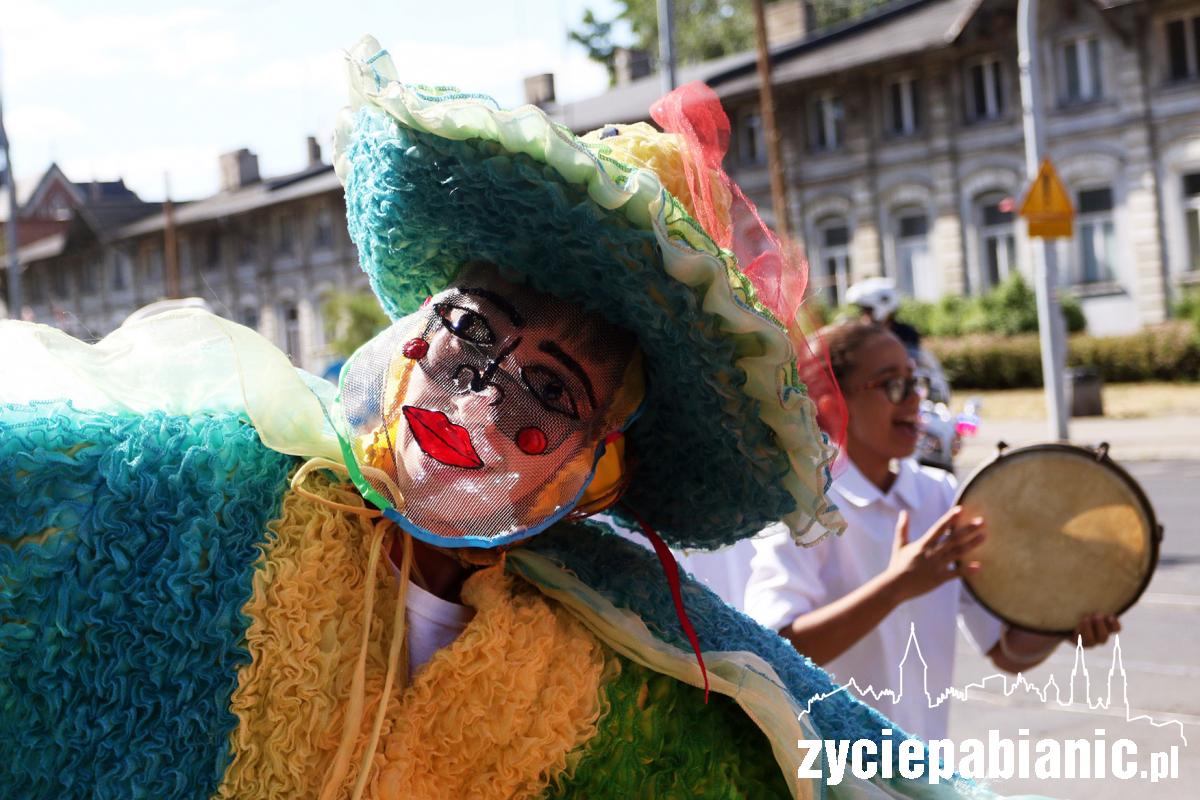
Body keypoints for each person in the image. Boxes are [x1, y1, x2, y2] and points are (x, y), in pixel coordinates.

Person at [0, 37, 1058, 800]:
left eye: (551, 391)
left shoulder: (601, 660)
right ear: (418, 333)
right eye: (471, 332)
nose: (480, 396)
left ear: (597, 472)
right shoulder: (209, 492)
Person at [745, 320, 1121, 741]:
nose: (914, 400)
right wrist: (898, 585)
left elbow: (1006, 650)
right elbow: (774, 653)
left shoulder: (940, 496)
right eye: (891, 385)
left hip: (923, 773)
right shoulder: (801, 505)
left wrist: (1063, 622)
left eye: (915, 381)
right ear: (833, 406)